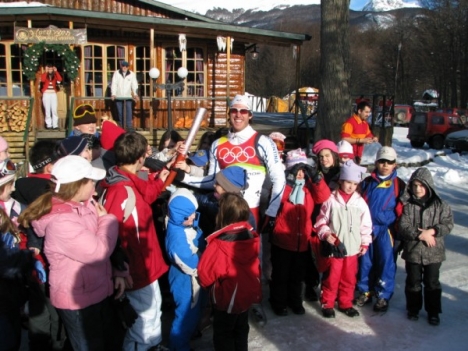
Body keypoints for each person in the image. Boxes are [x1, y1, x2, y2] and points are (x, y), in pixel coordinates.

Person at [18, 155, 124, 350]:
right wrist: (108, 220)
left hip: (96, 288)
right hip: (78, 299)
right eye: (90, 180)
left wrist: (117, 271)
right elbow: (98, 251)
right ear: (77, 185)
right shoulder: (62, 221)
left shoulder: (84, 204)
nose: (94, 184)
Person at [100, 132, 170, 351]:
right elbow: (115, 235)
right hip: (137, 269)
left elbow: (147, 194)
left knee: (152, 313)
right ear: (140, 157)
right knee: (144, 320)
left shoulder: (126, 178)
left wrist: (160, 179)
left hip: (144, 265)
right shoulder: (121, 190)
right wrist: (123, 270)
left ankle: (151, 345)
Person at [12, 140, 68, 351]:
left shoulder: (21, 188)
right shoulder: (51, 191)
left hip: (30, 262)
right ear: (50, 167)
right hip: (52, 263)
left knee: (39, 313)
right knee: (56, 315)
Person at [268, 149, 330, 316]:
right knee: (281, 275)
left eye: (303, 170)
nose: (300, 174)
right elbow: (278, 200)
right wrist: (288, 181)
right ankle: (278, 302)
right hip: (282, 239)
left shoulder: (308, 189)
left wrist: (316, 178)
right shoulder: (282, 187)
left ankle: (295, 301)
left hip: (302, 241)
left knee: (297, 276)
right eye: (296, 171)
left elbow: (324, 197)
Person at [198, 192, 261, 351]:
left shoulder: (218, 244)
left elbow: (205, 274)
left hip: (227, 299)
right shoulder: (251, 237)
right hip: (246, 294)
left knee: (223, 334)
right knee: (241, 329)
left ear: (223, 216)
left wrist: (211, 290)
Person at [315, 160, 372, 318]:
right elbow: (321, 221)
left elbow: (366, 225)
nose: (351, 186)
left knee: (349, 277)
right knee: (332, 276)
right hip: (335, 248)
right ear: (340, 181)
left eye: (354, 183)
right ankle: (327, 302)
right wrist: (326, 234)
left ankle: (345, 302)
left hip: (352, 249)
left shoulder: (360, 203)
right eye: (348, 182)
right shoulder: (331, 200)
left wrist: (365, 242)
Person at [398, 167, 453, 326]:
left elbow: (448, 223)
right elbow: (404, 225)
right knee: (413, 282)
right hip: (413, 251)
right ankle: (413, 309)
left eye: (421, 185)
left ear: (428, 186)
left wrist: (433, 231)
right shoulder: (408, 205)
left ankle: (433, 311)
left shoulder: (440, 205)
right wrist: (419, 234)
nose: (418, 189)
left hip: (433, 252)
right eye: (415, 186)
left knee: (432, 282)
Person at [356, 146, 406, 312]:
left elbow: (402, 210)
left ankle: (383, 295)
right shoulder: (368, 182)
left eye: (389, 162)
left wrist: (400, 232)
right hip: (368, 229)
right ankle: (365, 290)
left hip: (387, 230)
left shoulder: (399, 184)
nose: (385, 165)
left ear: (394, 165)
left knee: (386, 262)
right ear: (376, 162)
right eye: (382, 161)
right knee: (365, 261)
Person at [165, 188, 204, 351]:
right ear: (180, 216)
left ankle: (191, 332)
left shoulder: (182, 224)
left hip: (191, 275)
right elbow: (186, 261)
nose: (194, 216)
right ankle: (179, 345)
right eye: (190, 215)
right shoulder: (177, 238)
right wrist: (204, 268)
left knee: (195, 308)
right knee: (186, 313)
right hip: (185, 279)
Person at [111, 61, 139, 129]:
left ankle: (129, 127)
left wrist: (135, 94)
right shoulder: (116, 73)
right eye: (123, 66)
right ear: (121, 66)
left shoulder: (132, 74)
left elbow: (134, 85)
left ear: (128, 67)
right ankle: (121, 127)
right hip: (119, 96)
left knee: (129, 112)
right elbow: (114, 84)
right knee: (120, 112)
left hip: (128, 97)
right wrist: (113, 94)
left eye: (126, 66)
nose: (125, 67)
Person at [40, 64, 62, 130]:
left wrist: (56, 71)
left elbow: (60, 79)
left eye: (51, 69)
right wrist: (45, 72)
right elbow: (43, 80)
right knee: (47, 110)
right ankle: (49, 124)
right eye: (49, 69)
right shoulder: (44, 75)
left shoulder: (54, 75)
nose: (50, 70)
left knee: (54, 110)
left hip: (53, 94)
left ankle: (55, 125)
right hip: (46, 94)